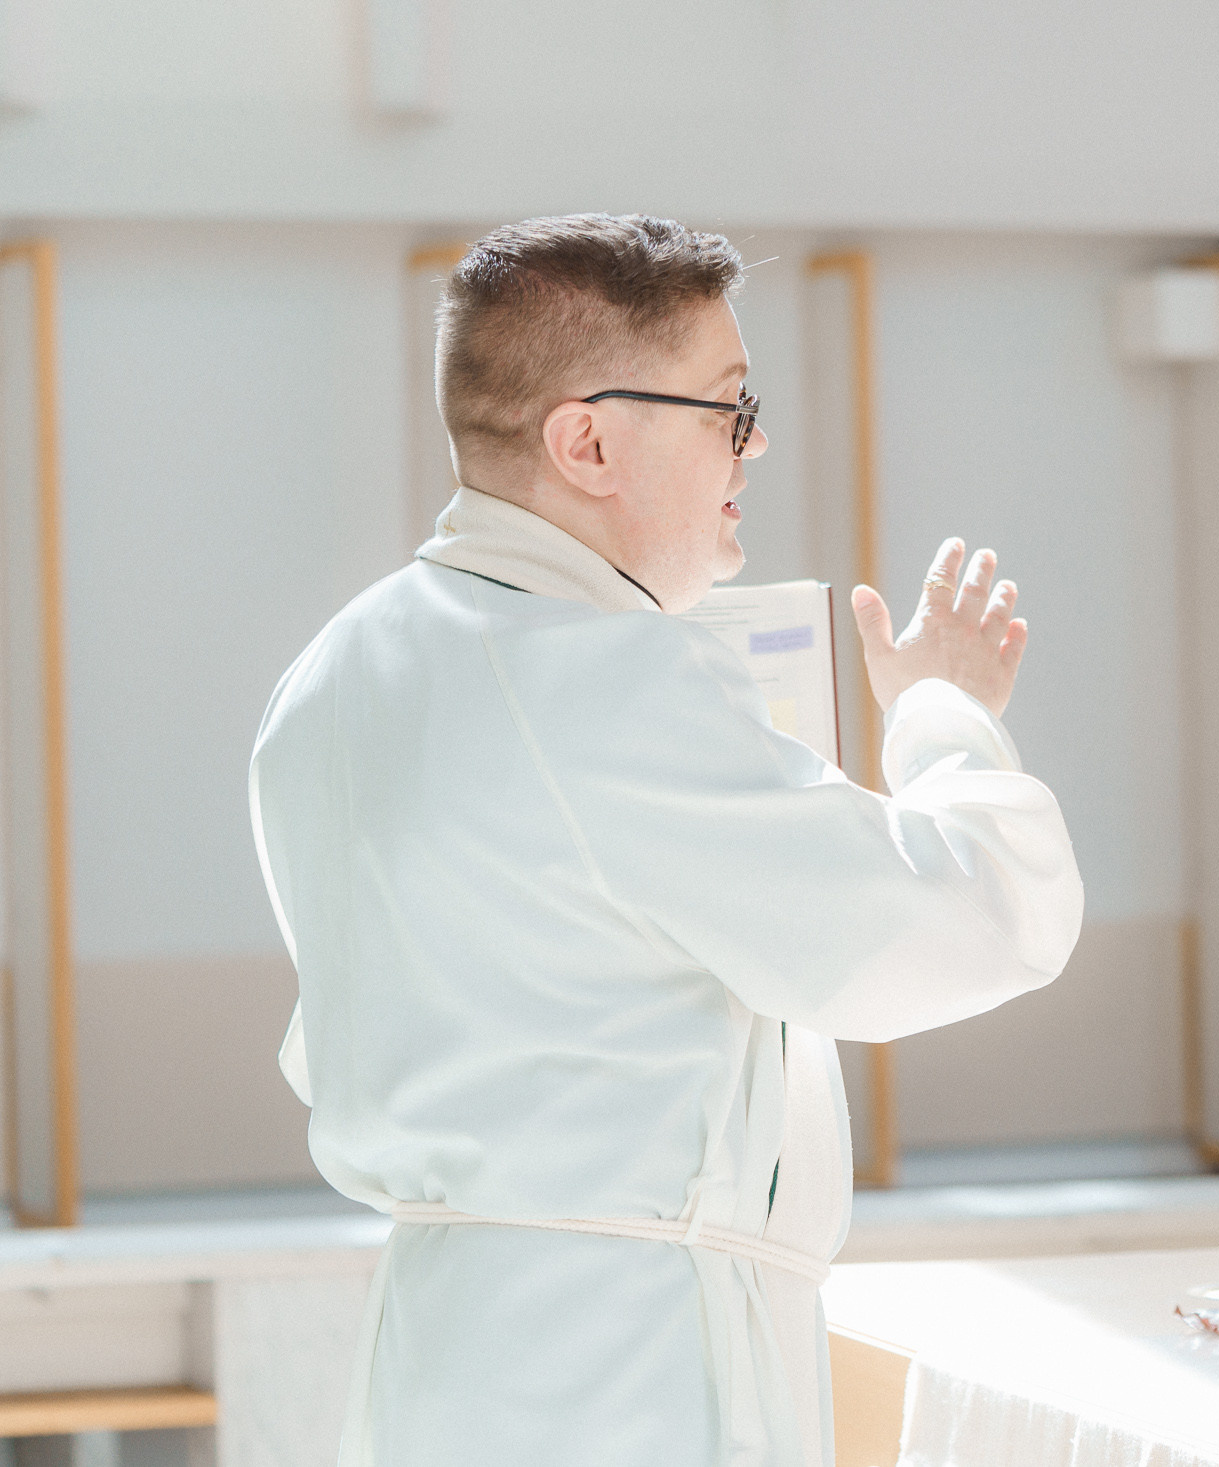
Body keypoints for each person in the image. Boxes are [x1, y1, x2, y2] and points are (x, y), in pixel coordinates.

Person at [249, 213, 1083, 1467]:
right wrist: (942, 716)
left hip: (443, 1349)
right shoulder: (601, 678)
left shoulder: (337, 669)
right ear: (585, 441)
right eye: (729, 409)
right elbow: (962, 922)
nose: (757, 444)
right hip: (624, 1367)